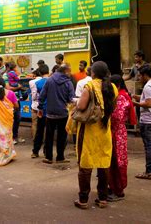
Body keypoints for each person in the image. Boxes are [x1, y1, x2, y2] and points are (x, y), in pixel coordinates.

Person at [73, 61, 117, 209]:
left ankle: (83, 200)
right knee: (103, 164)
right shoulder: (113, 87)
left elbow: (81, 106)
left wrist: (76, 103)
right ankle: (103, 198)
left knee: (85, 165)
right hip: (105, 132)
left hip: (89, 132)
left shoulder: (89, 87)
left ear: (93, 73)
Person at [108, 74, 137, 202]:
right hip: (117, 131)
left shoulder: (120, 97)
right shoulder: (122, 95)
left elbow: (116, 117)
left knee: (117, 160)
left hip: (117, 132)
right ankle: (113, 186)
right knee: (113, 160)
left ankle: (118, 189)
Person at [38, 64, 75, 164]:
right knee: (62, 137)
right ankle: (60, 157)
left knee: (49, 136)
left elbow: (42, 96)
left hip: (50, 113)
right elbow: (71, 99)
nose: (70, 73)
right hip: (63, 113)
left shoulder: (49, 80)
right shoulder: (68, 83)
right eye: (70, 71)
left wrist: (40, 107)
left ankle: (48, 157)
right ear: (65, 71)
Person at [132, 64, 151, 180]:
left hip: (148, 119)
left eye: (140, 75)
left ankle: (149, 171)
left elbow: (148, 104)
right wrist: (136, 96)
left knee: (149, 146)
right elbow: (148, 99)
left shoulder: (148, 87)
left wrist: (135, 104)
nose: (139, 78)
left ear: (145, 75)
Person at [32, 64, 50, 158]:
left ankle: (35, 151)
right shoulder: (52, 82)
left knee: (39, 131)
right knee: (49, 132)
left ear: (40, 73)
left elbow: (35, 97)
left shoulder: (38, 83)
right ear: (48, 71)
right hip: (51, 110)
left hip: (41, 110)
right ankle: (47, 152)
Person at [29, 68, 42, 142]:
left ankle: (35, 139)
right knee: (42, 123)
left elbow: (33, 94)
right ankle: (41, 139)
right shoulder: (46, 81)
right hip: (43, 105)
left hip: (34, 105)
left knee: (34, 123)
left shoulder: (31, 82)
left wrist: (33, 99)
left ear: (34, 74)